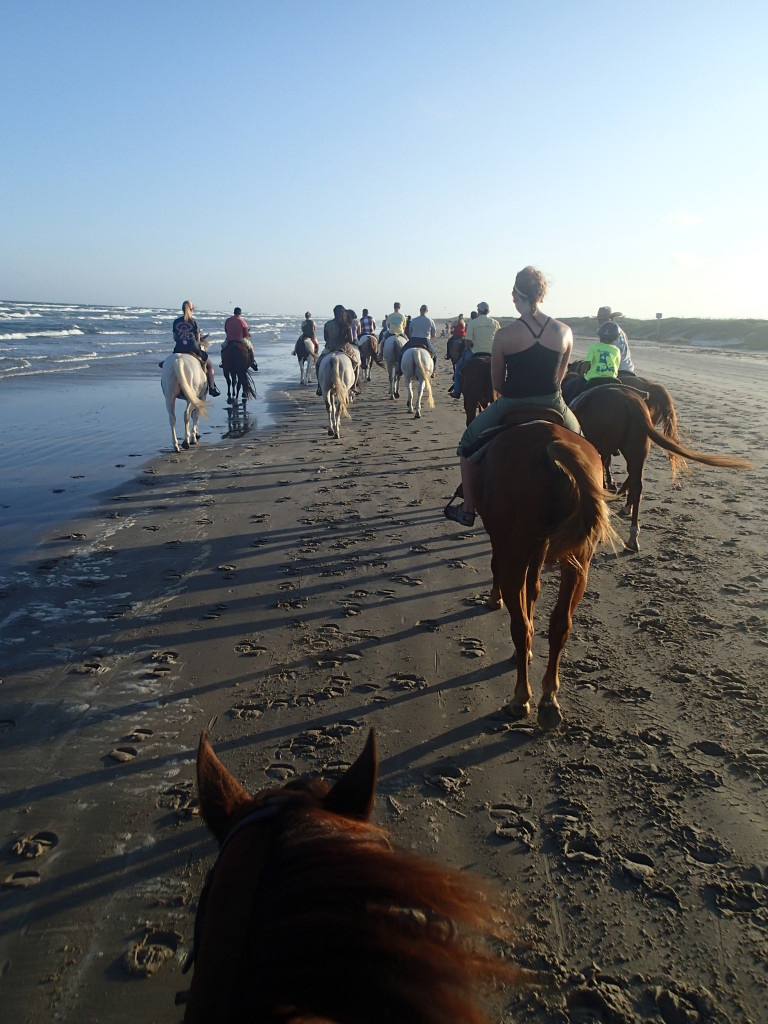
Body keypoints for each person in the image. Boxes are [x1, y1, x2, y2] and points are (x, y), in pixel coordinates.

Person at [444, 267, 582, 527]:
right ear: (541, 294)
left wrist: (515, 394)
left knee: (466, 446)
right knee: (587, 449)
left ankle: (468, 509)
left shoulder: (505, 335)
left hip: (512, 402)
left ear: (516, 296)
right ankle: (586, 507)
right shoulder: (565, 332)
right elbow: (559, 379)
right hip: (553, 403)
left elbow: (497, 383)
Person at [449, 301, 501, 398]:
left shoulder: (473, 323)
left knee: (458, 367)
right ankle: (503, 390)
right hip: (491, 353)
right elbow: (499, 339)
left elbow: (468, 342)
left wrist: (468, 347)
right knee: (503, 369)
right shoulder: (495, 323)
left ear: (478, 311)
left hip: (475, 352)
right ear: (488, 311)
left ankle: (457, 391)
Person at [562, 321, 621, 403]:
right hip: (612, 379)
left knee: (570, 388)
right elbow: (616, 367)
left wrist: (582, 375)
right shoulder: (617, 350)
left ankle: (568, 406)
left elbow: (586, 364)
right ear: (615, 338)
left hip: (593, 379)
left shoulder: (594, 347)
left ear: (600, 335)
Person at [172, 300, 220, 396]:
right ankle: (212, 387)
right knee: (210, 365)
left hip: (178, 349)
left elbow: (175, 338)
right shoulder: (194, 322)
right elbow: (198, 339)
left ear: (182, 309)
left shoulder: (176, 321)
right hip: (193, 349)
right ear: (192, 309)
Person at [315, 304, 362, 395]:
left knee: (318, 364)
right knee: (356, 363)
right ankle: (353, 386)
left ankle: (320, 386)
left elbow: (325, 338)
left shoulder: (327, 324)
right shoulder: (346, 325)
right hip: (344, 349)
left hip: (330, 349)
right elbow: (351, 340)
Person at [397, 304, 438, 377]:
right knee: (434, 355)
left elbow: (410, 332)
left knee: (401, 352)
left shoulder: (414, 320)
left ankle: (400, 370)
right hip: (425, 340)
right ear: (427, 311)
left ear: (420, 310)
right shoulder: (430, 321)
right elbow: (434, 334)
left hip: (413, 340)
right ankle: (433, 371)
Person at [597, 305, 635, 375]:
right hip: (628, 368)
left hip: (617, 369)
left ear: (611, 319)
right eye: (599, 320)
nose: (601, 322)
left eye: (604, 319)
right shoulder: (621, 331)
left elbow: (604, 353)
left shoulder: (606, 332)